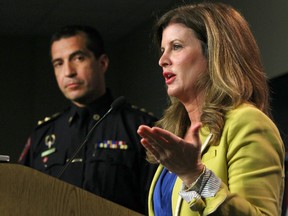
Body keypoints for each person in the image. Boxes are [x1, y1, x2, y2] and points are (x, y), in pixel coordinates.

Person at [137, 2, 285, 216]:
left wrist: (196, 176)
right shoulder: (179, 134)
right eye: (162, 50)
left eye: (176, 46)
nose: (162, 60)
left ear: (214, 53)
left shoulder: (247, 123)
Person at [18, 25, 157, 214]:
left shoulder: (142, 128)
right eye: (58, 63)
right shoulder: (43, 135)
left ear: (102, 63)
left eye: (78, 58)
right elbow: (21, 198)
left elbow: (159, 204)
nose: (68, 72)